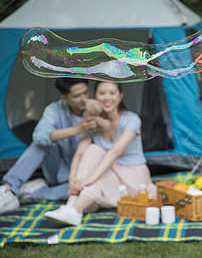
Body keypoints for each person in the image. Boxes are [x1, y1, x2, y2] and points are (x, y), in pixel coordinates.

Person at [44, 81, 156, 226]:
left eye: (112, 93)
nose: (107, 98)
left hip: (132, 175)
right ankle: (71, 207)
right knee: (93, 150)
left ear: (120, 96)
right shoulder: (93, 122)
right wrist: (73, 179)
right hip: (109, 172)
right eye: (102, 93)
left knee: (96, 181)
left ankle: (75, 209)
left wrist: (89, 179)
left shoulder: (131, 120)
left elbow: (115, 152)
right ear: (95, 96)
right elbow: (80, 153)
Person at [0, 78, 105, 213]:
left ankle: (33, 191)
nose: (84, 99)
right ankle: (9, 189)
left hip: (86, 176)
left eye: (86, 93)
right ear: (64, 98)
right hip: (59, 170)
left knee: (87, 192)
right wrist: (77, 130)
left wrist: (101, 116)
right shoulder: (55, 110)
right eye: (77, 96)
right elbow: (39, 136)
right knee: (42, 144)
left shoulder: (99, 108)